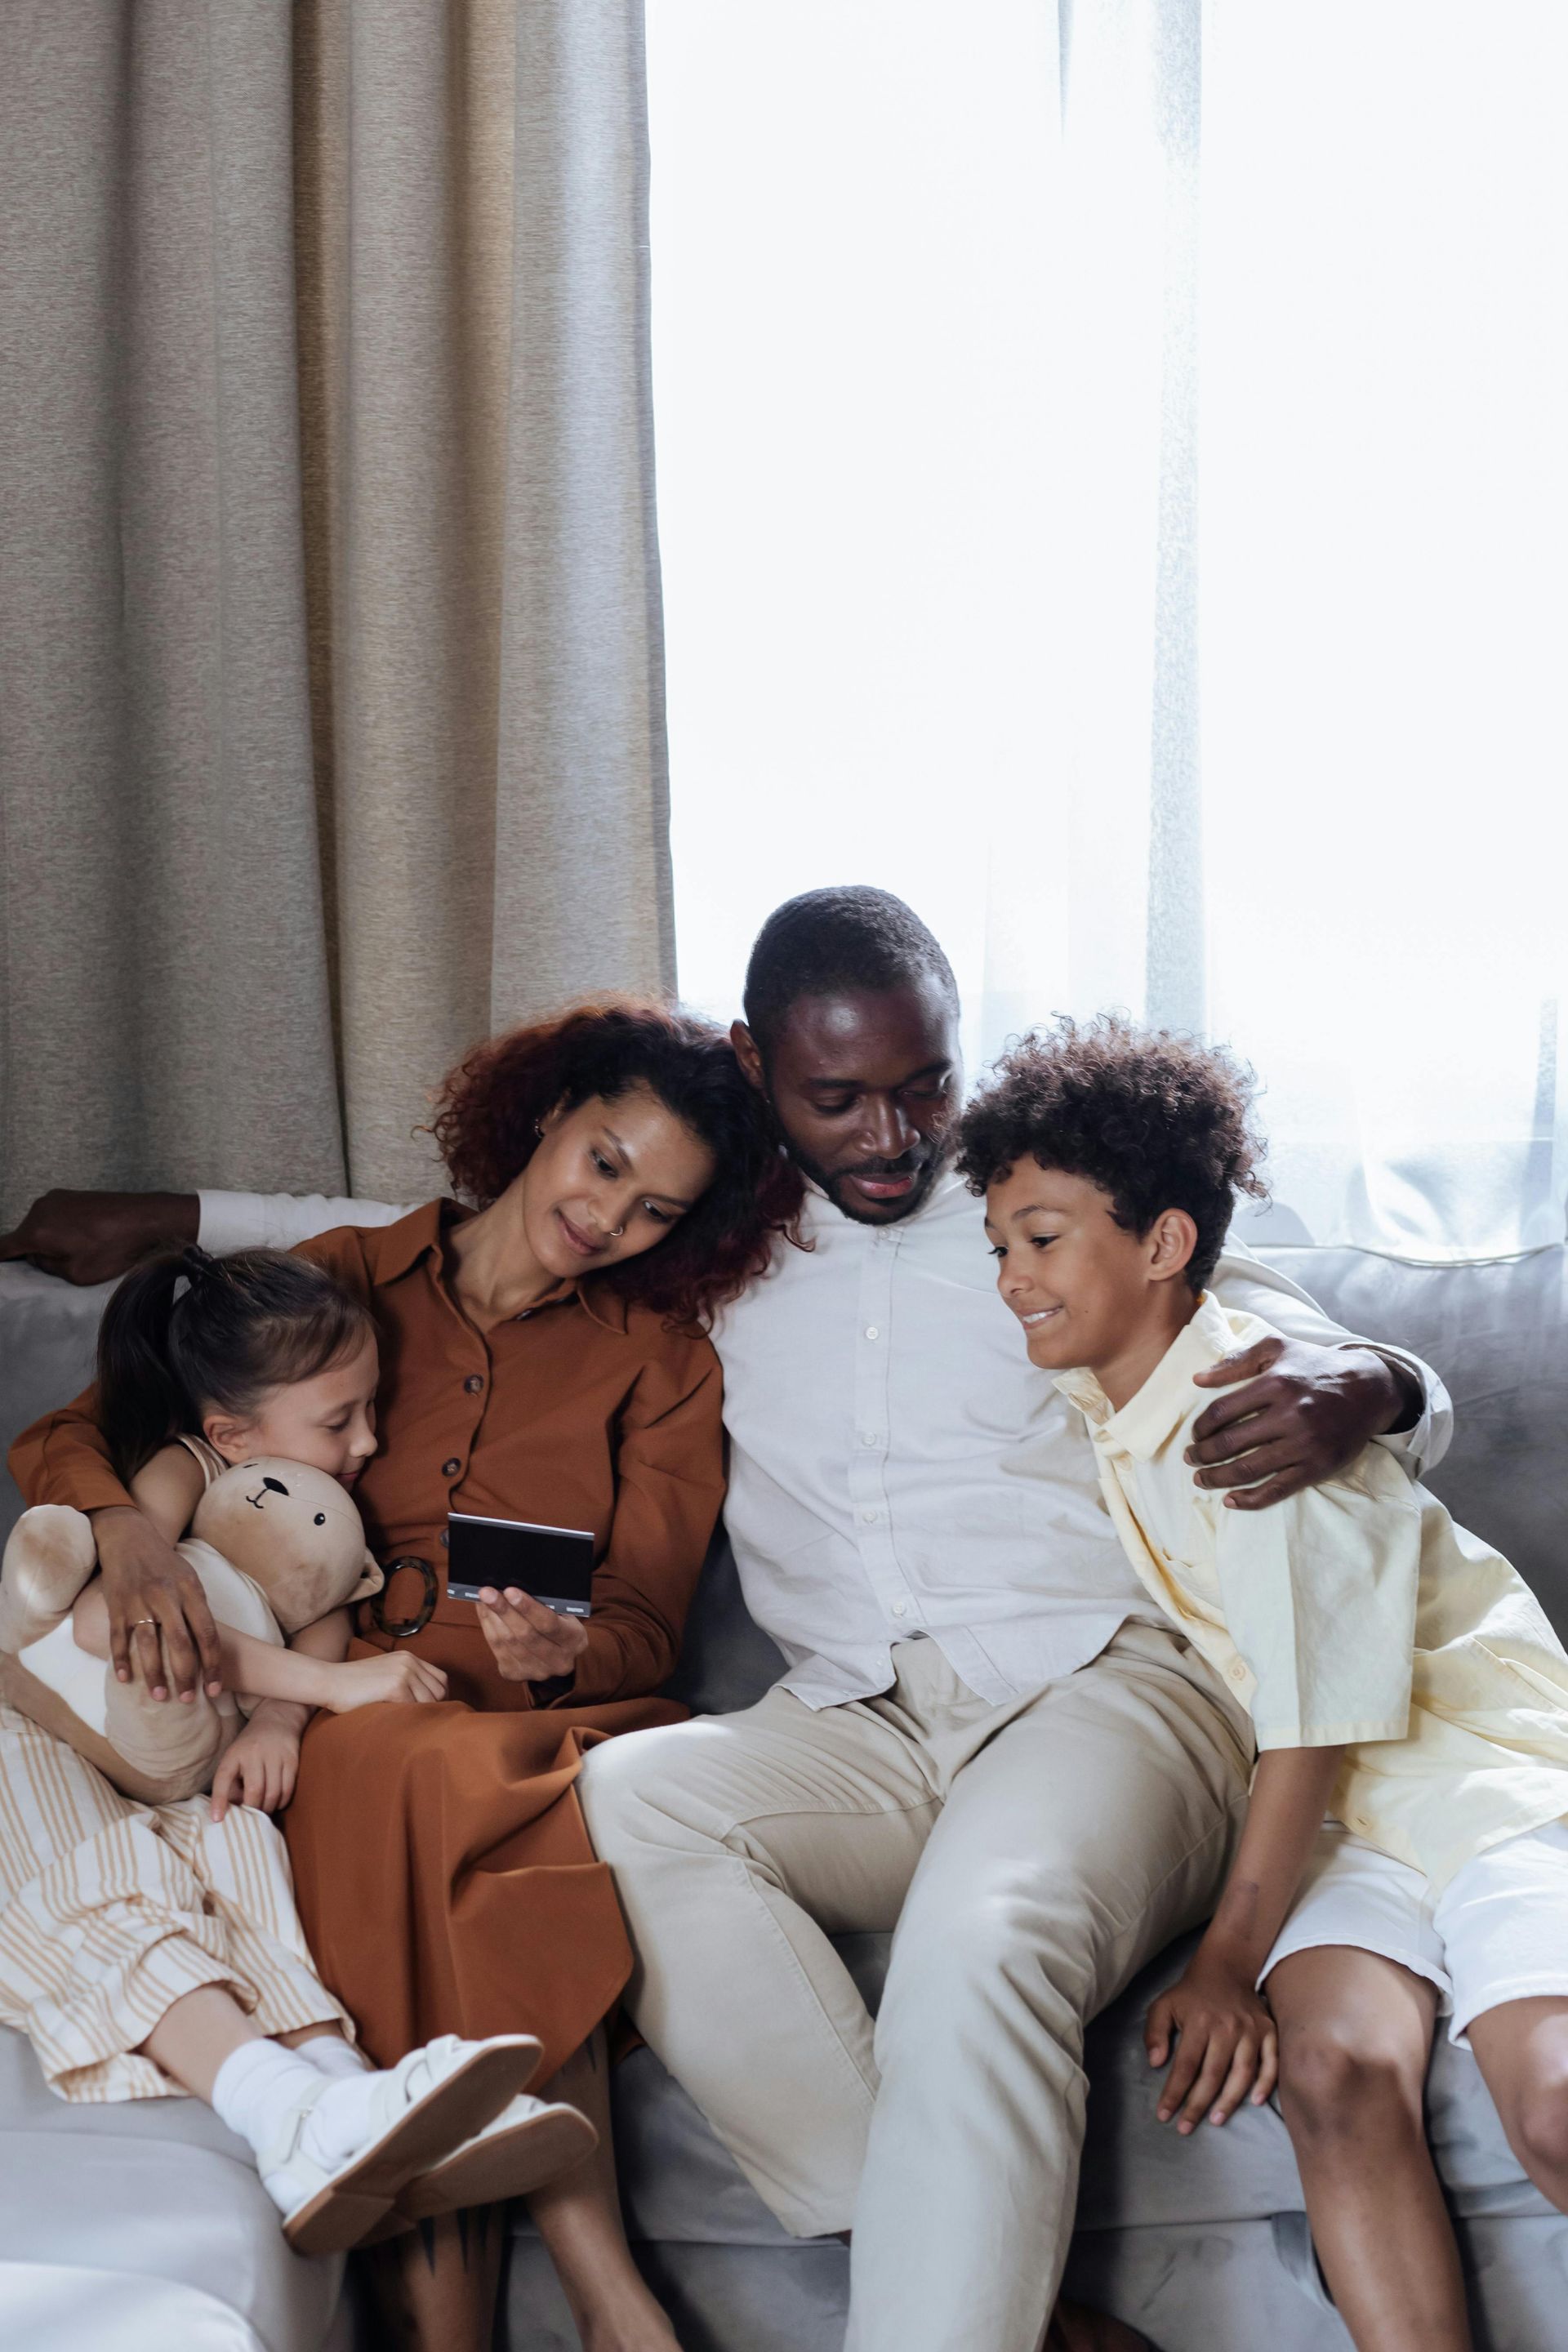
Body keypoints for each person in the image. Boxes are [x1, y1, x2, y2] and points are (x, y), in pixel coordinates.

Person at [4, 894, 1450, 2352]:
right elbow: (437, 1236)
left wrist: (1378, 1385)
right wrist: (173, 1226)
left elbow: (1280, 1314)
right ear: (762, 1073)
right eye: (842, 1100)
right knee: (629, 1805)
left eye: (923, 1087)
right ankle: (993, 2290)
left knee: (980, 1934)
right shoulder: (709, 1239)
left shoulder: (1038, 1203)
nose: (893, 1137)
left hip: (1098, 1683)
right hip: (858, 1719)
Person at [8, 999, 796, 2352]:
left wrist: (568, 1652)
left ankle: (469, 2320)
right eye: (605, 1162)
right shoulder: (343, 1274)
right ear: (546, 1114)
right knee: (404, 1775)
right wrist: (135, 1537)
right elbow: (86, 1436)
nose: (611, 1220)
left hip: (522, 1707)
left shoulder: (659, 1368)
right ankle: (597, 2289)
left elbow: (647, 1630)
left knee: (427, 1770)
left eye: (659, 1211)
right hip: (333, 1690)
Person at [959, 1013, 1568, 2352]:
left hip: (1478, 1771)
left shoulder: (1255, 1421)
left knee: (1555, 2105)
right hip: (1352, 1817)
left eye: (1044, 1239)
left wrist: (1230, 1959)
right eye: (1000, 1244)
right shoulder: (1116, 1395)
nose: (1011, 1278)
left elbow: (1308, 1730)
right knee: (1338, 2072)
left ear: (1164, 1244)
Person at [0, 1242, 595, 2256]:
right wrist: (327, 1688)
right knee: (104, 1874)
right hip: (43, 1734)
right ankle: (283, 2112)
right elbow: (119, 1623)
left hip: (185, 1761)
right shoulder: (184, 1474)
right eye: (339, 1421)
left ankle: (345, 2098)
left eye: (372, 1410)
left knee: (240, 1857)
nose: (369, 1442)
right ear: (232, 1432)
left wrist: (280, 1721)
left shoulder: (312, 1507)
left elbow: (322, 1613)